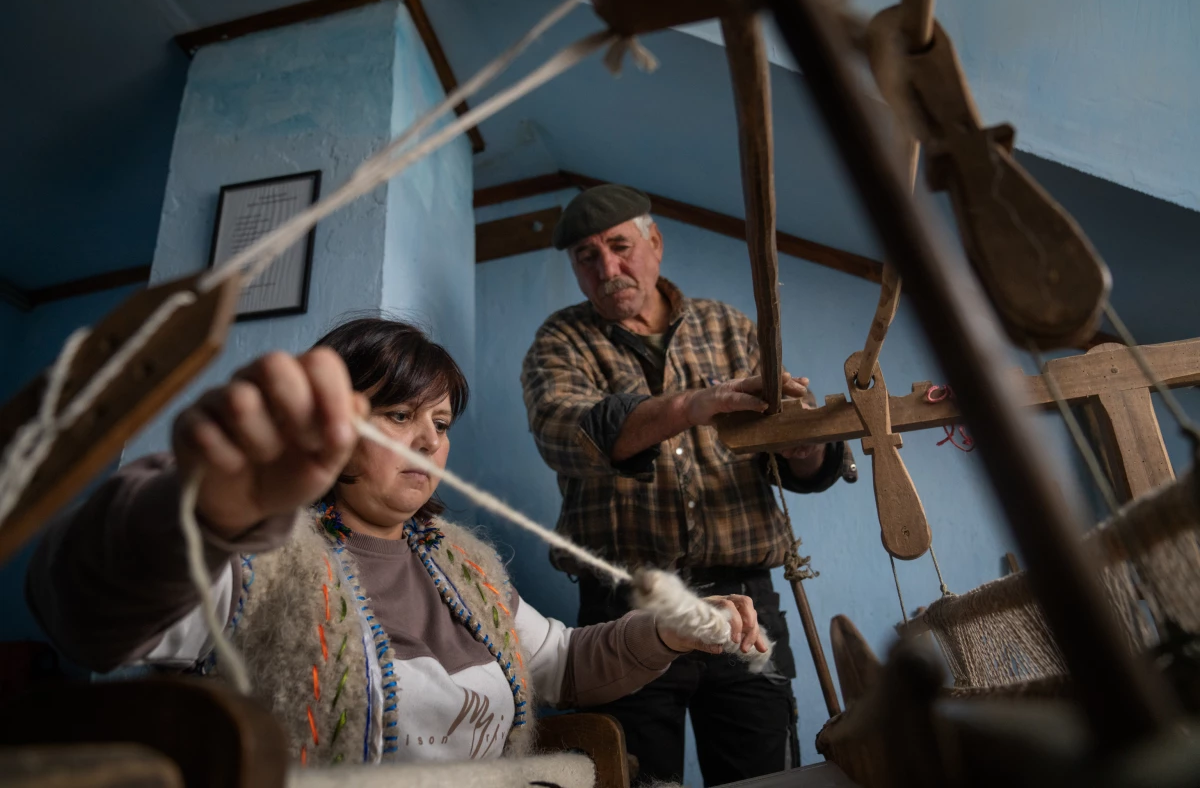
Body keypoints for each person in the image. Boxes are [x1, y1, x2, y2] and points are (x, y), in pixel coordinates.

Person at [26, 317, 769, 767]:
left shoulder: (464, 563)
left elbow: (562, 665)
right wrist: (198, 506)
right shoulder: (261, 556)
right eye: (397, 415)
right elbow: (84, 616)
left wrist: (665, 633)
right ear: (333, 422)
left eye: (440, 423)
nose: (427, 440)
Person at [521, 185, 847, 785]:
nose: (608, 269)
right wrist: (692, 405)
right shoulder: (559, 341)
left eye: (620, 247)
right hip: (623, 609)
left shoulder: (729, 327)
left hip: (747, 602)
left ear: (655, 243)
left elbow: (793, 465)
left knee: (765, 777)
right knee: (635, 777)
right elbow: (565, 434)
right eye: (587, 258)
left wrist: (804, 447)